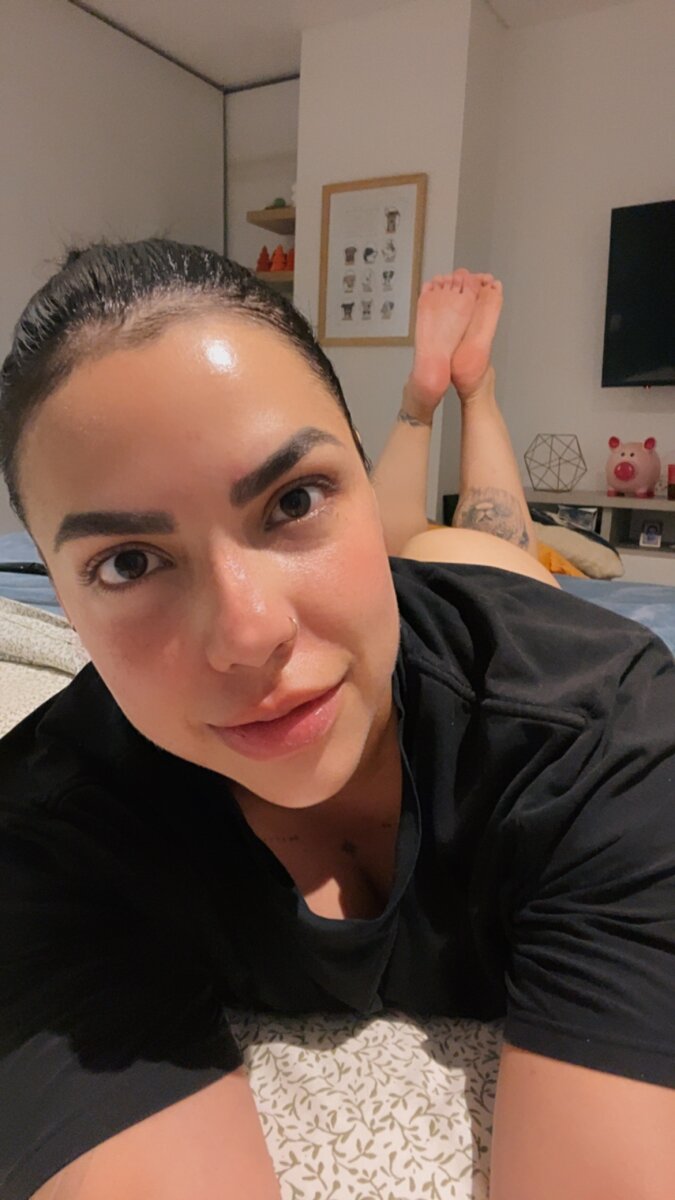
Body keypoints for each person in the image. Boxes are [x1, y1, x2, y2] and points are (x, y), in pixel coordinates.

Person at [0, 241, 673, 1200]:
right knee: (438, 539)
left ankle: (460, 396)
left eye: (296, 499)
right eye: (128, 563)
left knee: (487, 548)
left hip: (489, 599)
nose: (249, 634)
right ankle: (417, 408)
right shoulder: (45, 838)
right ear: (60, 599)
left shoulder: (596, 726)